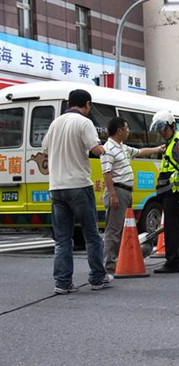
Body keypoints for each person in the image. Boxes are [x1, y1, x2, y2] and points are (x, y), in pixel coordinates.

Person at [42, 89, 111, 294]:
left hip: (57, 187)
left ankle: (62, 283)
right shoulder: (84, 122)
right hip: (79, 185)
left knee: (62, 239)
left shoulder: (55, 124)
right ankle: (98, 278)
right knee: (91, 235)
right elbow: (96, 150)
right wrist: (108, 148)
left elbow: (45, 149)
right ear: (87, 105)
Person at [101, 117, 166, 274]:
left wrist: (158, 149)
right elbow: (106, 173)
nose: (128, 131)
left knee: (124, 229)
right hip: (118, 191)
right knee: (114, 229)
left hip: (126, 192)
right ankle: (109, 264)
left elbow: (139, 152)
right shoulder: (108, 148)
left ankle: (120, 260)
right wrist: (113, 195)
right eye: (127, 128)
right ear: (119, 131)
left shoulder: (122, 147)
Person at [150, 110, 179, 273]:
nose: (161, 132)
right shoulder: (171, 142)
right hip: (171, 190)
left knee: (171, 226)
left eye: (164, 129)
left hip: (175, 191)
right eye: (159, 129)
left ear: (172, 126)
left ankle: (172, 262)